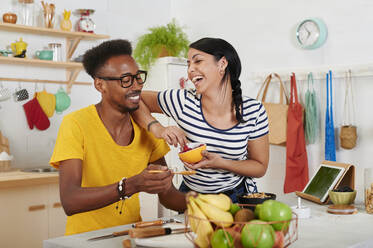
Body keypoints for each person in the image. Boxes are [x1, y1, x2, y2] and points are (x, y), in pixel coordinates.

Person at [49, 39, 186, 235]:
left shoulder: (146, 128)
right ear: (100, 85)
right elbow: (70, 201)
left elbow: (168, 195)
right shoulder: (76, 124)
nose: (136, 86)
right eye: (125, 80)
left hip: (130, 237)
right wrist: (130, 186)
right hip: (85, 241)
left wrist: (209, 200)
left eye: (138, 78)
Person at [132, 37, 269, 203]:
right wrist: (158, 129)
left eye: (197, 61)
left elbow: (259, 167)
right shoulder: (183, 101)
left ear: (222, 64)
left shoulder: (253, 111)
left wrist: (221, 163)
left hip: (236, 197)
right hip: (190, 197)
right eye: (188, 64)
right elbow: (135, 99)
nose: (190, 70)